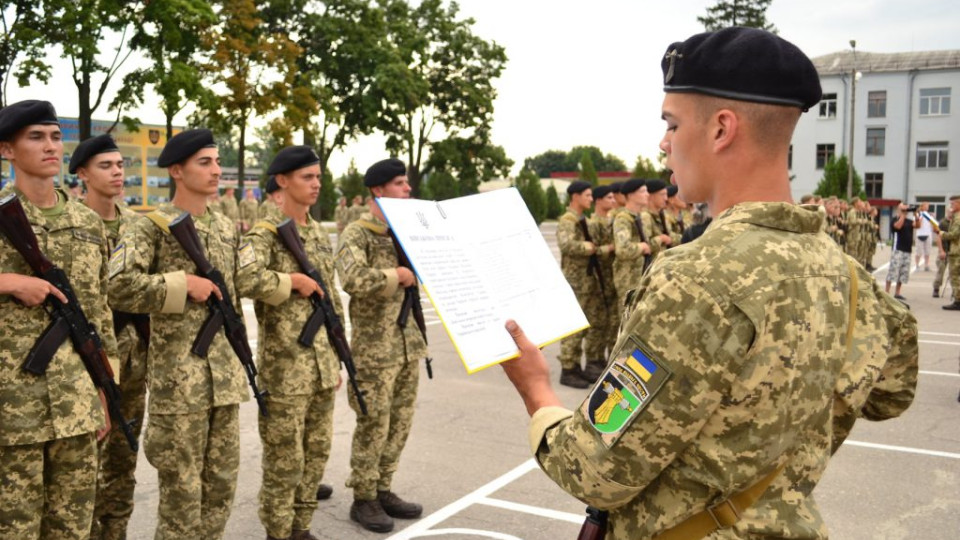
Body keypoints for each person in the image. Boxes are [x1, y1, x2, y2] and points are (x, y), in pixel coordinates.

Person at [499, 28, 918, 540]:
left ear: (721, 130)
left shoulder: (696, 277)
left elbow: (594, 470)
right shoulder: (844, 270)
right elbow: (891, 394)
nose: (663, 142)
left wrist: (536, 387)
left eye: (671, 124)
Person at [108, 128, 249, 540]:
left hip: (223, 381)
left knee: (221, 489)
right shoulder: (149, 226)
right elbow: (117, 285)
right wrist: (180, 284)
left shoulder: (224, 227)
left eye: (218, 161)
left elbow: (233, 299)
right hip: (179, 385)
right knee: (182, 501)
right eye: (204, 163)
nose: (216, 170)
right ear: (177, 171)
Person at [0, 100, 116, 539]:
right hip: (11, 413)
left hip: (77, 404)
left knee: (72, 528)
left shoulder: (87, 222)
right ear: (6, 150)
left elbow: (99, 314)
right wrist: (8, 281)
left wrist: (105, 391)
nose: (51, 146)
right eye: (35, 137)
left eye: (54, 136)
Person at [236, 146, 342, 540]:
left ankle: (301, 527)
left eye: (318, 177)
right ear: (282, 181)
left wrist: (336, 356)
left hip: (320, 367)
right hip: (285, 370)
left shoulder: (315, 231)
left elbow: (330, 298)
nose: (316, 184)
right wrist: (289, 282)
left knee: (316, 454)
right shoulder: (264, 234)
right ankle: (278, 532)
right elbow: (243, 278)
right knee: (285, 461)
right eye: (307, 177)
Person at [336, 158, 428, 533]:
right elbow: (352, 278)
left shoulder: (406, 233)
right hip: (376, 348)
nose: (408, 189)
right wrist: (396, 276)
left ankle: (383, 486)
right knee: (374, 422)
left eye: (407, 184)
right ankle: (363, 496)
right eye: (400, 184)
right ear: (378, 190)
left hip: (407, 344)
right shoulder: (357, 233)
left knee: (400, 422)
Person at [69, 134, 150, 540]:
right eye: (106, 165)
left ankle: (114, 533)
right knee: (82, 466)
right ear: (82, 174)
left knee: (124, 456)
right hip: (86, 361)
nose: (118, 172)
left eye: (120, 165)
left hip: (134, 359)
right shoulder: (70, 224)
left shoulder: (139, 225)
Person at [556, 180, 603, 388]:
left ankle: (576, 366)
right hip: (574, 280)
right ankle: (568, 369)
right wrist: (587, 247)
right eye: (587, 195)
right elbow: (566, 245)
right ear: (575, 196)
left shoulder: (582, 219)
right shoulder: (568, 220)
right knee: (572, 326)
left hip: (586, 279)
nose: (591, 199)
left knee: (583, 325)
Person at [589, 184, 619, 368]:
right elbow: (592, 250)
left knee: (610, 321)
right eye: (609, 198)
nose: (613, 201)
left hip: (610, 276)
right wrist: (608, 249)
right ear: (598, 200)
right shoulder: (593, 224)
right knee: (597, 321)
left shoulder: (610, 222)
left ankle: (602, 359)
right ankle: (594, 359)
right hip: (596, 278)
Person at [611, 178, 653, 307]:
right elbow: (622, 249)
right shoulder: (622, 219)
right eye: (642, 191)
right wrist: (641, 247)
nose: (647, 194)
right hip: (628, 279)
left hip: (642, 275)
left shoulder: (641, 217)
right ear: (630, 195)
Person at [885, 203, 915, 301]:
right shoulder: (894, 219)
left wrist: (917, 214)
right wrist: (902, 215)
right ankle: (886, 292)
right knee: (893, 271)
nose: (905, 210)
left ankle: (897, 292)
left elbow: (917, 225)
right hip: (897, 249)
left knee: (903, 272)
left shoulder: (909, 221)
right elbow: (898, 227)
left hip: (907, 249)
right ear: (898, 209)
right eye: (902, 208)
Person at [940, 195, 960, 310]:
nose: (950, 206)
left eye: (953, 204)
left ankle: (958, 301)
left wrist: (942, 234)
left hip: (957, 252)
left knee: (955, 277)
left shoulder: (958, 218)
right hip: (956, 251)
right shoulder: (955, 217)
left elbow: (954, 235)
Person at [933, 207, 952, 298]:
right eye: (950, 211)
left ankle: (955, 291)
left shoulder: (956, 223)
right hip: (944, 250)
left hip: (954, 251)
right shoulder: (943, 223)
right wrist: (941, 251)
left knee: (954, 273)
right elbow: (939, 237)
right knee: (941, 271)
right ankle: (936, 288)